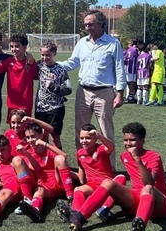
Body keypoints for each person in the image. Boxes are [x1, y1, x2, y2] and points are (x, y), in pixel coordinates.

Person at [67, 122, 166, 231]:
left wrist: (137, 159)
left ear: (142, 140)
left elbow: (149, 182)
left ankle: (139, 226)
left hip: (159, 205)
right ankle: (80, 218)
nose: (128, 144)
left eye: (132, 140)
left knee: (147, 188)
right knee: (108, 182)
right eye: (125, 140)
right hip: (136, 201)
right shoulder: (125, 156)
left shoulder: (153, 156)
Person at [58, 9, 126, 171]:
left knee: (105, 132)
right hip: (83, 92)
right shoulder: (82, 42)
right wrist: (52, 65)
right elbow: (72, 62)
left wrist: (120, 93)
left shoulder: (113, 43)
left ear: (100, 24)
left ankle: (109, 168)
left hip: (104, 93)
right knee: (80, 132)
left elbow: (119, 69)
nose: (87, 27)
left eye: (90, 24)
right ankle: (84, 166)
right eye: (85, 24)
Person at [56, 124, 126, 224]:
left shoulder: (101, 149)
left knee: (121, 177)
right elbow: (81, 168)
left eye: (88, 138)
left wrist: (100, 136)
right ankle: (75, 213)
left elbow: (111, 147)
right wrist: (82, 183)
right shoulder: (80, 153)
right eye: (82, 138)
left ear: (95, 139)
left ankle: (103, 209)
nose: (84, 141)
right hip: (92, 185)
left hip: (107, 184)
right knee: (78, 189)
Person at [15, 123, 74, 223]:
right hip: (45, 185)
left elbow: (64, 156)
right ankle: (35, 211)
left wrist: (45, 144)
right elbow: (36, 168)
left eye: (33, 136)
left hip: (59, 180)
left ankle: (70, 198)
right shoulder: (29, 152)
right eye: (28, 137)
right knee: (39, 191)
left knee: (59, 158)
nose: (30, 140)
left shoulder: (48, 149)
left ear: (41, 136)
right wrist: (26, 154)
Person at [0, 33, 38, 119]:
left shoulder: (30, 62)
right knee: (13, 128)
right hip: (12, 103)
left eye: (17, 46)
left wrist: (31, 59)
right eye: (12, 46)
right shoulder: (9, 61)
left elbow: (36, 76)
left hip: (26, 103)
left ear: (25, 47)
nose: (14, 49)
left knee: (25, 128)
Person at [35, 42, 72, 150]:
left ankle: (59, 161)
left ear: (54, 54)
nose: (45, 57)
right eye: (42, 55)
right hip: (40, 107)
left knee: (55, 137)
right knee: (41, 136)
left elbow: (68, 89)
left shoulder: (60, 70)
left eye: (48, 55)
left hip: (55, 108)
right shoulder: (39, 66)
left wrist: (53, 87)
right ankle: (44, 163)